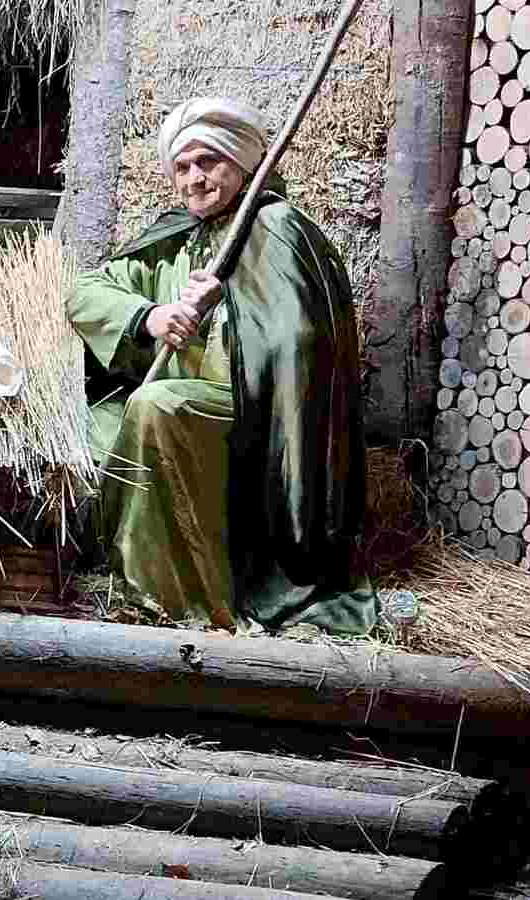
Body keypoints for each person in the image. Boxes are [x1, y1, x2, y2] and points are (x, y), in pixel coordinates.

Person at [66, 97, 374, 634]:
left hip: (257, 414)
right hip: (191, 401)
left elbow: (299, 343)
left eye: (209, 162)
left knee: (158, 404)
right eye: (182, 167)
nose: (195, 178)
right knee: (100, 423)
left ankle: (177, 597)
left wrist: (225, 304)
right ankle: (109, 575)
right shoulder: (173, 240)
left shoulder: (277, 228)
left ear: (243, 163)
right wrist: (152, 316)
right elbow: (83, 293)